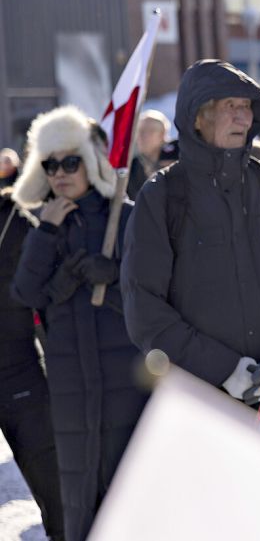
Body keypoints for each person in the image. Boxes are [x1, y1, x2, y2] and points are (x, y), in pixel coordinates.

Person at [120, 60, 260, 450]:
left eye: (246, 106)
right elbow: (144, 310)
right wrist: (225, 370)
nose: (242, 117)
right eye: (228, 106)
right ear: (197, 117)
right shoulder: (162, 196)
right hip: (207, 415)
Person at [10, 106, 147, 541]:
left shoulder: (126, 216)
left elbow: (156, 297)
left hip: (126, 377)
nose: (60, 174)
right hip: (70, 381)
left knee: (131, 490)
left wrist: (116, 277)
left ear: (89, 161)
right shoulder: (46, 223)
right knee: (80, 495)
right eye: (50, 165)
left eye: (70, 162)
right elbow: (25, 294)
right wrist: (47, 234)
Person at [0, 167, 64, 540]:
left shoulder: (16, 221)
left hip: (19, 374)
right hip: (21, 376)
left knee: (56, 497)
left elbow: (46, 293)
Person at [127, 110, 179, 201]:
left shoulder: (178, 155)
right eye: (140, 131)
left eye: (150, 131)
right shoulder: (131, 168)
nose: (143, 136)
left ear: (162, 135)